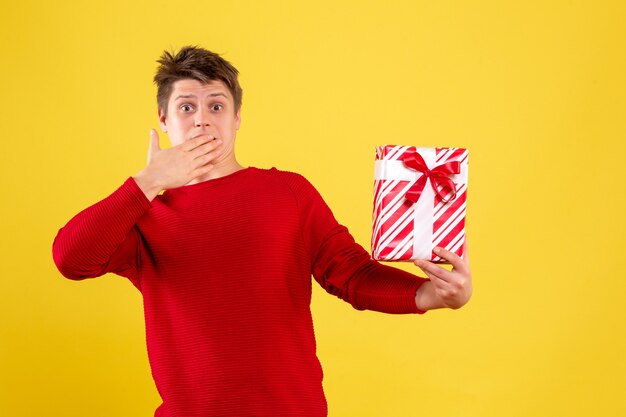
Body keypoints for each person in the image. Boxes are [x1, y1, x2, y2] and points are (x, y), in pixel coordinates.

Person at [52, 46, 472, 417]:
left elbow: (352, 274)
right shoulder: (142, 215)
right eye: (186, 107)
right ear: (163, 119)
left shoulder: (288, 192)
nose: (201, 121)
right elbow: (70, 259)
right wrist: (147, 182)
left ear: (237, 118)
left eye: (216, 106)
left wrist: (429, 294)